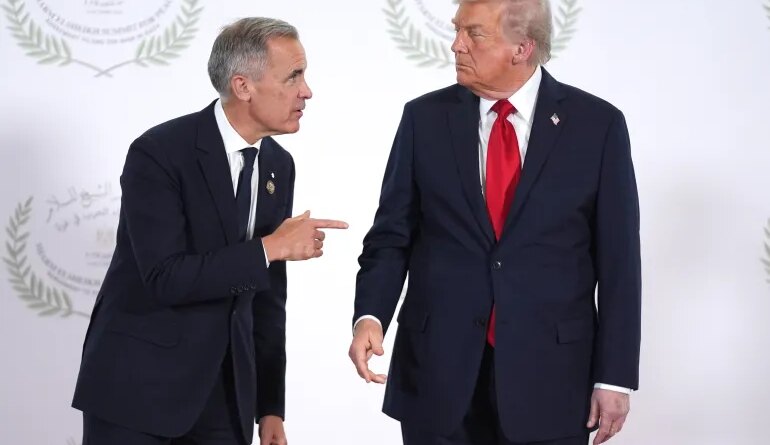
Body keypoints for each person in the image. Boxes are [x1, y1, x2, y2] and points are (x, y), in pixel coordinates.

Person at [348, 0, 641, 444]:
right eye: (457, 29)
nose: (456, 45)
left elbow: (619, 262)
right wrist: (370, 316)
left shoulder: (597, 126)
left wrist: (614, 377)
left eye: (474, 33)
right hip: (438, 375)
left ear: (522, 47)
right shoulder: (424, 119)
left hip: (552, 381)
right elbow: (391, 237)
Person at [73, 17, 347, 445]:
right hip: (137, 391)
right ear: (243, 86)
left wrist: (270, 407)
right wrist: (269, 248)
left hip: (226, 400)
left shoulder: (279, 164)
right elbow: (165, 277)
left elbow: (268, 298)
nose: (306, 91)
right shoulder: (159, 153)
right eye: (293, 76)